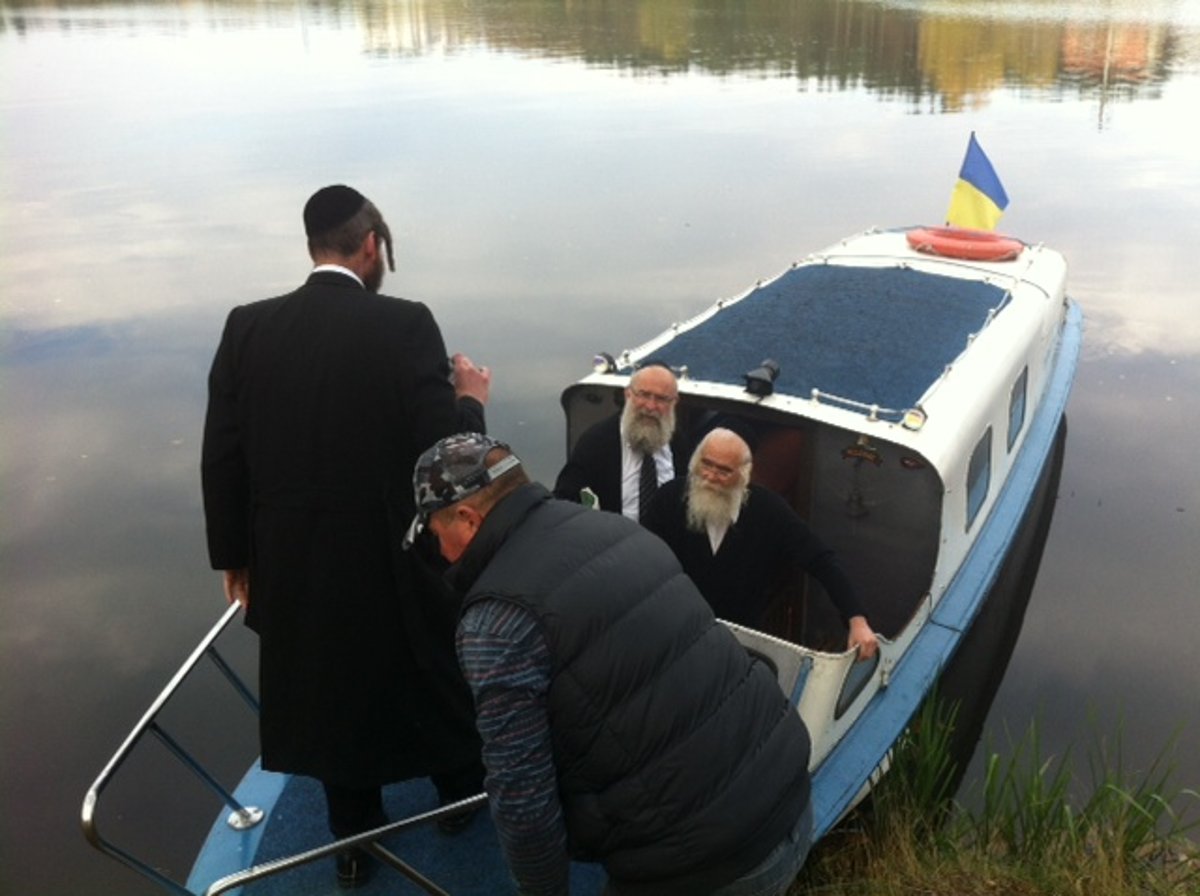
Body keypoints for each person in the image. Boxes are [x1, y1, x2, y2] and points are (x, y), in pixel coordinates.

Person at [201, 185, 491, 888]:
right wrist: (472, 399)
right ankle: (459, 801)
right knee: (432, 670)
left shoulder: (247, 327)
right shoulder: (406, 324)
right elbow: (444, 452)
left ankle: (354, 841)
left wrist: (235, 556)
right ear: (371, 246)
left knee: (323, 690)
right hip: (390, 556)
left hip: (291, 563)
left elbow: (222, 452)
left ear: (313, 248)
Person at [410, 432, 815, 896]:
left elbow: (523, 798)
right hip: (790, 798)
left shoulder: (496, 621)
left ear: (466, 518)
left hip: (712, 865)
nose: (440, 553)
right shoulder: (619, 530)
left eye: (437, 535)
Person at [642, 428, 879, 658]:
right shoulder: (669, 498)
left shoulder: (769, 510)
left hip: (737, 647)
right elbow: (644, 559)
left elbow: (821, 560)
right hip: (675, 634)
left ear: (744, 475)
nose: (711, 477)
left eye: (724, 471)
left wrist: (856, 618)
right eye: (706, 464)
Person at [552, 363, 689, 520]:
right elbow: (565, 502)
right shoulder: (596, 444)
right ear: (628, 394)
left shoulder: (677, 442)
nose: (651, 406)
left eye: (661, 399)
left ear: (674, 402)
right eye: (644, 395)